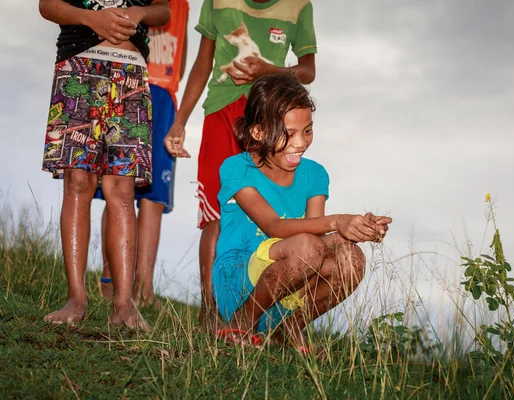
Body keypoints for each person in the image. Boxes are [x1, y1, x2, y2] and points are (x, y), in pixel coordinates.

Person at [163, 0, 318, 329]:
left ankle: (258, 316)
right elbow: (203, 61)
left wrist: (267, 71)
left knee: (268, 219)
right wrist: (180, 121)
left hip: (272, 121)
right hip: (221, 111)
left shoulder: (299, 6)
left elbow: (307, 71)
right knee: (215, 215)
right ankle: (210, 312)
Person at [211, 73, 392, 353]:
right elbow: (273, 226)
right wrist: (337, 222)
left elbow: (313, 233)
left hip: (289, 282)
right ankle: (242, 322)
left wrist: (357, 229)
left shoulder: (315, 175)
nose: (300, 143)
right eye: (289, 133)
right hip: (239, 285)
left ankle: (291, 328)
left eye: (307, 130)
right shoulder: (236, 169)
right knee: (307, 247)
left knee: (351, 257)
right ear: (258, 132)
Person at [39, 0, 170, 331]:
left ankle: (123, 305)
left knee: (122, 188)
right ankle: (76, 298)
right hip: (78, 65)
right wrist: (90, 18)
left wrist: (139, 14)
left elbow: (163, 10)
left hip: (130, 71)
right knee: (78, 182)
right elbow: (47, 5)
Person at [97, 0, 190, 310]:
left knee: (154, 197)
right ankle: (109, 279)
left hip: (165, 95)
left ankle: (144, 287)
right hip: (130, 80)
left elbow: (181, 56)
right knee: (118, 182)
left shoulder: (182, 6)